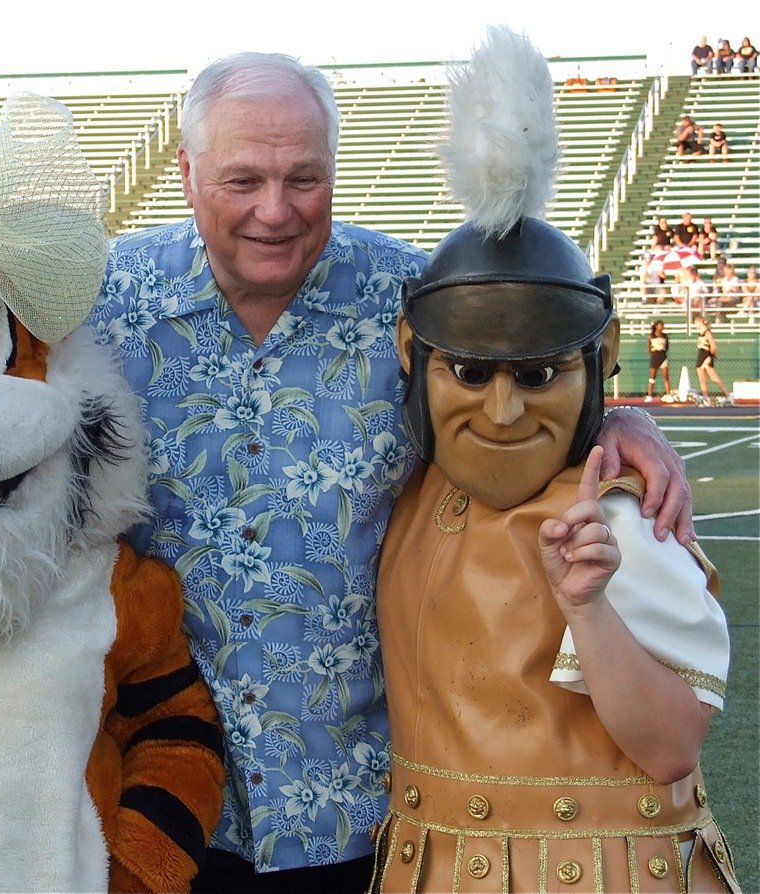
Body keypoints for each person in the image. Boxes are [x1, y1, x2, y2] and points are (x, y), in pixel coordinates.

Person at [90, 50, 695, 891]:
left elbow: (536, 371)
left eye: (305, 177)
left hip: (371, 816)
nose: (276, 210)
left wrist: (626, 419)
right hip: (168, 808)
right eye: (242, 180)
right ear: (186, 171)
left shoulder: (414, 297)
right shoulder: (100, 304)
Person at [374, 29, 736, 891]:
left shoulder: (620, 512)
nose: (502, 411)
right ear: (408, 352)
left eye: (538, 374)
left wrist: (591, 609)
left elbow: (671, 744)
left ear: (598, 355)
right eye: (468, 371)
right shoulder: (413, 490)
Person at [694, 315, 731, 404]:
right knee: (702, 379)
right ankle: (706, 397)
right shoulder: (700, 333)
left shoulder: (707, 333)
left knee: (714, 378)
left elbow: (713, 346)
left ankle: (728, 395)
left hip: (706, 355)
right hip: (701, 355)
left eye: (696, 323)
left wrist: (710, 357)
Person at [647, 319, 672, 401]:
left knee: (666, 377)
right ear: (656, 326)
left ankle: (668, 394)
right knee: (652, 377)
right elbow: (649, 348)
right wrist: (653, 354)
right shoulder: (651, 336)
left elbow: (667, 347)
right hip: (655, 357)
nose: (662, 327)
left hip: (663, 357)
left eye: (662, 325)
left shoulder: (665, 336)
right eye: (660, 325)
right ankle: (650, 396)